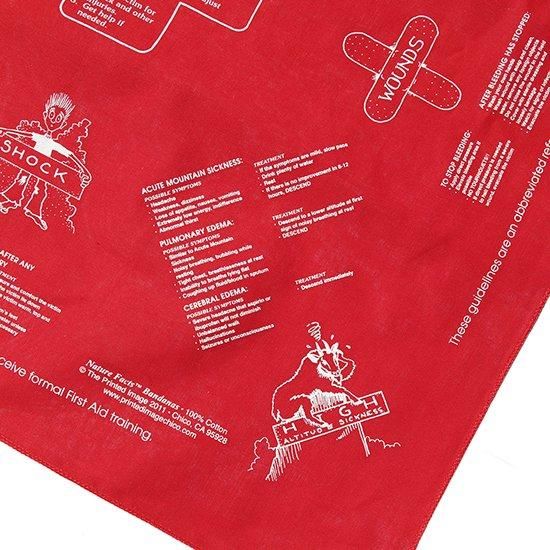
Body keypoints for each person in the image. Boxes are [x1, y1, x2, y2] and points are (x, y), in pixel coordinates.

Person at [0, 93, 91, 230]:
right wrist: (5, 131)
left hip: (43, 170)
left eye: (58, 119)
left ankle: (34, 211)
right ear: (45, 115)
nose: (53, 121)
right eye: (51, 115)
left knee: (40, 189)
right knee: (21, 180)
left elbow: (69, 155)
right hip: (30, 164)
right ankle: (9, 201)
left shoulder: (54, 144)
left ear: (63, 124)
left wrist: (83, 171)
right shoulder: (40, 137)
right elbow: (24, 134)